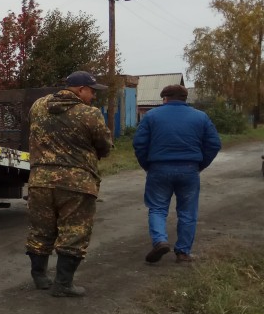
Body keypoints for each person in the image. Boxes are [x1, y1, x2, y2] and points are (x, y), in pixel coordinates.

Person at [25, 71, 113, 297]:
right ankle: (63, 284)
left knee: (40, 229)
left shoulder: (38, 106)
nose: (93, 96)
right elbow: (104, 145)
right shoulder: (90, 114)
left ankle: (40, 277)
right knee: (75, 232)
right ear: (81, 89)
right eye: (92, 91)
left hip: (40, 181)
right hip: (77, 183)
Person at [133, 83, 221, 264]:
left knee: (157, 208)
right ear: (184, 99)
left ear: (164, 99)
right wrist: (200, 165)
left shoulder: (151, 116)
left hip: (159, 168)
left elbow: (139, 144)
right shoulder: (200, 117)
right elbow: (214, 144)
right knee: (188, 212)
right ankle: (183, 253)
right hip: (189, 169)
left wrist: (147, 165)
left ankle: (160, 241)